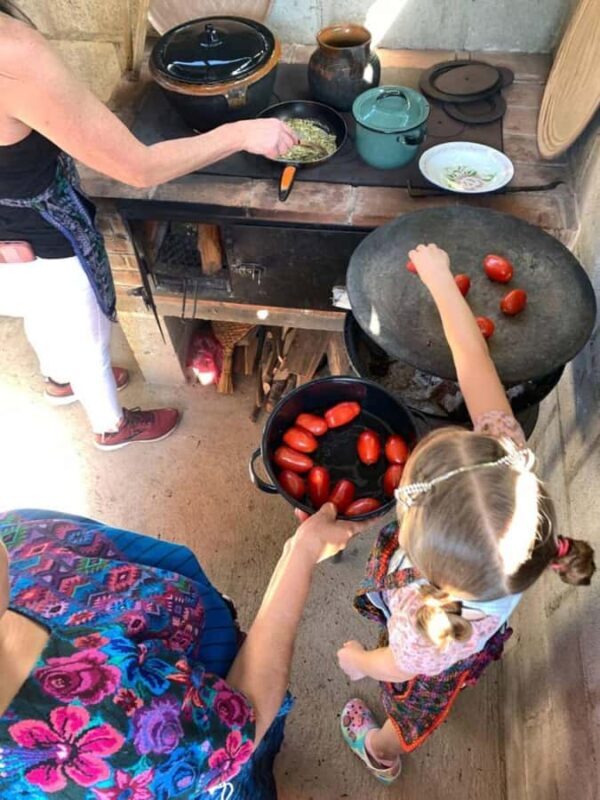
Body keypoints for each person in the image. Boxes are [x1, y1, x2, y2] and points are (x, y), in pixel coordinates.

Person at [336, 243, 596, 785]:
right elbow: (472, 359)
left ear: (417, 539)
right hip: (467, 622)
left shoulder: (422, 620)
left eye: (406, 499)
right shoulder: (512, 468)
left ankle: (380, 749)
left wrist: (361, 661)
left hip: (432, 656)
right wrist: (438, 280)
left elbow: (400, 665)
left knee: (408, 712)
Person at [0, 3, 297, 450]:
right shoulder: (12, 52)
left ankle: (60, 380)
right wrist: (243, 132)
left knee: (42, 311)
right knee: (86, 327)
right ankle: (110, 425)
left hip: (11, 227)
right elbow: (138, 168)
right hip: (45, 228)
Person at [0, 502, 364, 798]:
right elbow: (246, 713)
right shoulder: (107, 735)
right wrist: (299, 553)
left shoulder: (10, 544)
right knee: (249, 769)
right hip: (215, 730)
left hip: (172, 622)